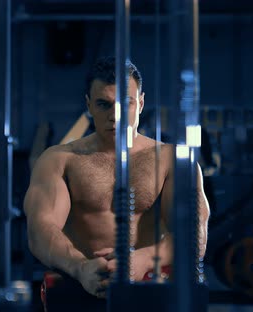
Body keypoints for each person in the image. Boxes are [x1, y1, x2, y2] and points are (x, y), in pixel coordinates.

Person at [24, 56, 210, 299]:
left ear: (141, 103)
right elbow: (40, 231)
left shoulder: (172, 160)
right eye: (104, 104)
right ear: (89, 105)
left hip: (147, 285)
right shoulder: (59, 160)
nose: (116, 115)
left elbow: (195, 234)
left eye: (126, 103)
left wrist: (141, 260)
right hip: (84, 284)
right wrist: (81, 268)